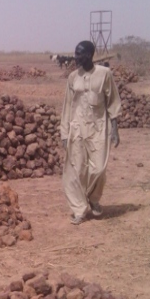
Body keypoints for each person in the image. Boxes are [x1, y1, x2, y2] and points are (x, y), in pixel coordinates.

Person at [60, 41, 122, 225]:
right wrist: (65, 133)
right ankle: (79, 209)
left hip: (98, 128)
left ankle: (93, 198)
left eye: (80, 54)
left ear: (90, 54)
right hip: (77, 128)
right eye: (75, 53)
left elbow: (113, 101)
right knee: (76, 170)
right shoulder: (72, 77)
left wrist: (115, 129)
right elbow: (67, 106)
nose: (76, 57)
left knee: (98, 169)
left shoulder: (105, 74)